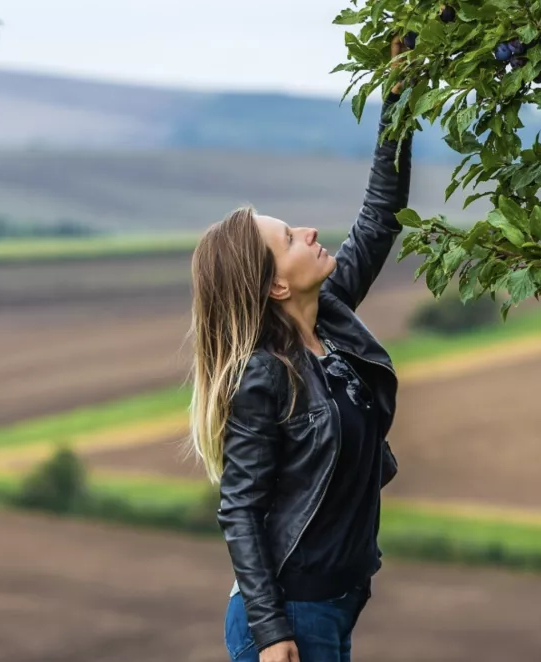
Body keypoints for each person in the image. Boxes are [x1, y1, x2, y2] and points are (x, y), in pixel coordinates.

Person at [187, 36, 414, 662]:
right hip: (290, 617)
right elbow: (240, 510)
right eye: (290, 238)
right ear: (276, 286)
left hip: (338, 602)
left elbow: (381, 216)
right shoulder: (264, 377)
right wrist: (271, 631)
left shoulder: (330, 317)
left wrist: (399, 91)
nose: (311, 232)